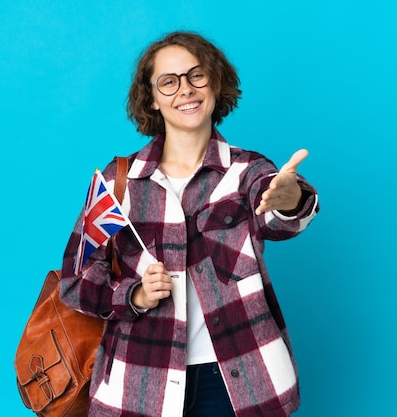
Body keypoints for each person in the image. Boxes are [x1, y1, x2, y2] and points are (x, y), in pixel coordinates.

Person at [60, 31, 319, 417]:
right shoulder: (119, 181)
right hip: (141, 384)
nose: (185, 90)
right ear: (152, 98)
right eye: (169, 81)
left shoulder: (249, 171)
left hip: (241, 382)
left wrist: (291, 199)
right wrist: (134, 296)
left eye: (197, 75)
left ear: (214, 83)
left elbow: (277, 220)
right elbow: (76, 281)